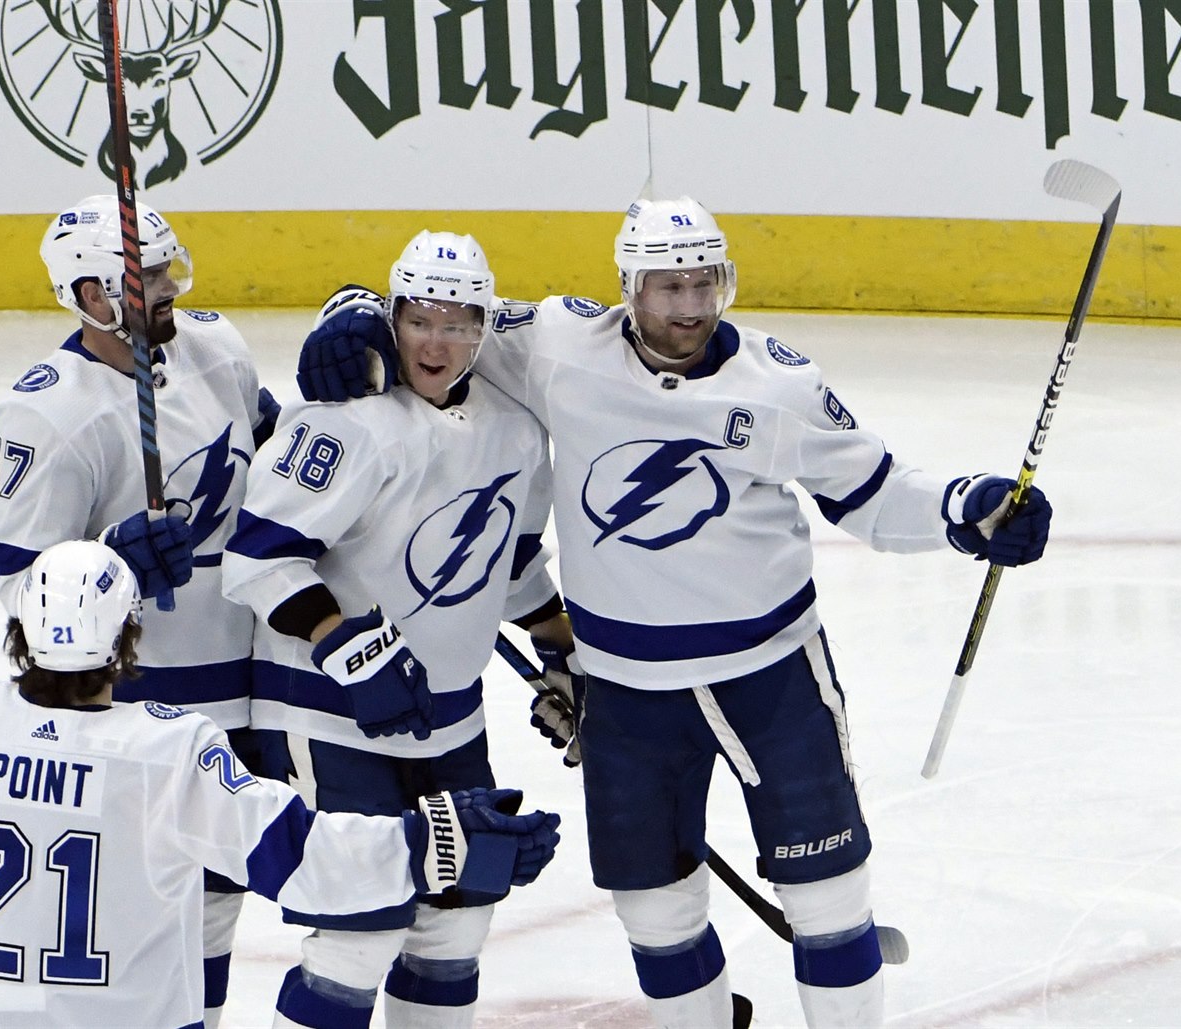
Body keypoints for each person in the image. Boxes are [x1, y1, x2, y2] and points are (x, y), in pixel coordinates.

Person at [293, 197, 1054, 1027]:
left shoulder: (778, 383)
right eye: (667, 286)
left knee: (828, 897)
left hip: (771, 679)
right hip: (626, 693)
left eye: (703, 284)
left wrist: (967, 507)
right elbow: (441, 313)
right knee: (656, 914)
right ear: (628, 288)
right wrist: (352, 314)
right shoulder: (558, 345)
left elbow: (872, 490)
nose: (689, 306)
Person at [0, 540, 561, 1029]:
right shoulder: (169, 750)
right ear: (127, 640)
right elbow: (303, 858)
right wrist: (439, 841)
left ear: (19, 633)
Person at [221, 231, 581, 1029]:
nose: (435, 344)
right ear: (393, 319)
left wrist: (562, 651)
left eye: (457, 325)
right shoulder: (346, 424)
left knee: (456, 920)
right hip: (325, 714)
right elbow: (255, 559)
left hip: (450, 722)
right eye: (420, 321)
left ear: (484, 330)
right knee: (360, 928)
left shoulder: (517, 433)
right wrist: (344, 646)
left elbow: (509, 562)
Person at [0, 194, 279, 1026]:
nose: (169, 287)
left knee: (215, 905)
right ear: (92, 294)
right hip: (132, 704)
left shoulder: (217, 349)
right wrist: (110, 562)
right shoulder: (46, 413)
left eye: (166, 268)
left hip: (246, 685)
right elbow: (16, 583)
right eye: (146, 276)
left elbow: (283, 468)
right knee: (135, 915)